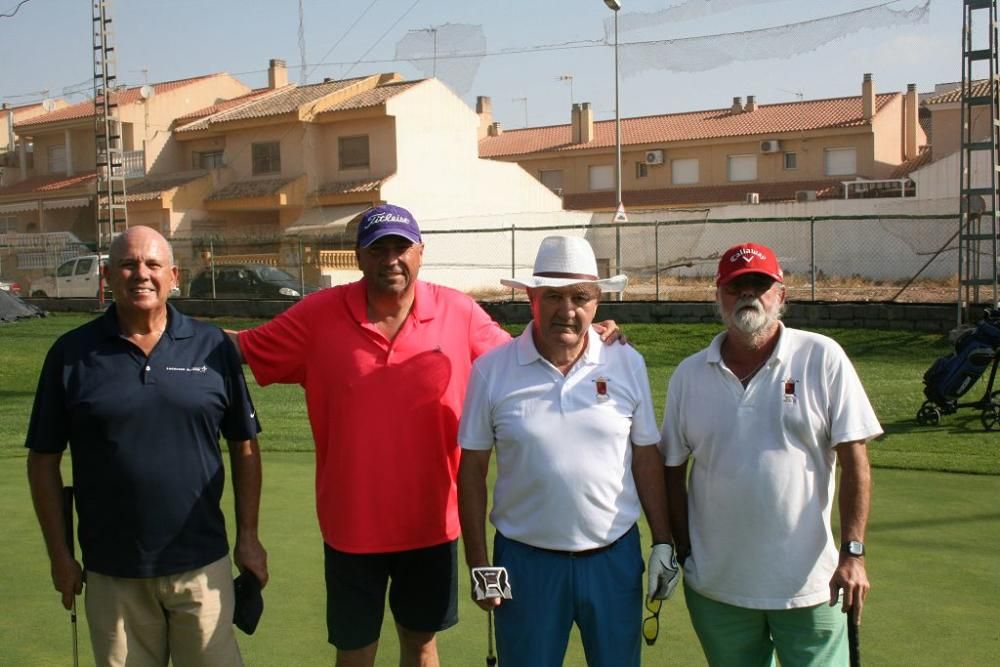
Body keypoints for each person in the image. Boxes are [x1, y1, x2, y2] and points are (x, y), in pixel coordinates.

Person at [232, 205, 622, 667]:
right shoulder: (318, 315)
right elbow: (241, 346)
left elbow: (522, 358)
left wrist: (589, 340)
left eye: (402, 248)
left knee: (421, 646)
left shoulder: (457, 311)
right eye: (379, 249)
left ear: (421, 253)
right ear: (359, 257)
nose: (391, 259)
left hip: (432, 523)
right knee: (354, 650)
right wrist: (164, 332)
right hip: (351, 525)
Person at [26, 226, 267, 667]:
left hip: (202, 567)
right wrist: (60, 556)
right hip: (112, 572)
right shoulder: (71, 354)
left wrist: (248, 538)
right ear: (108, 275)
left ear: (173, 276)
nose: (141, 274)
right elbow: (43, 460)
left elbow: (244, 445)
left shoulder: (212, 346)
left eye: (153, 264)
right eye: (128, 264)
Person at [457, 235, 679, 667]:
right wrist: (478, 562)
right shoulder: (491, 371)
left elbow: (646, 454)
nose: (568, 310)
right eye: (553, 296)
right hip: (525, 566)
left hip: (613, 560)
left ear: (597, 303)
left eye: (580, 297)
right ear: (530, 299)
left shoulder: (626, 362)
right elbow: (472, 470)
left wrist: (663, 542)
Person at [660, 242, 882, 666]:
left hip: (811, 588)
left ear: (781, 294)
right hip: (718, 589)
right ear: (718, 296)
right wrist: (683, 548)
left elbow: (855, 457)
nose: (748, 295)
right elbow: (672, 466)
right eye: (735, 286)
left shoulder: (822, 356)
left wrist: (853, 553)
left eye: (760, 285)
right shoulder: (689, 374)